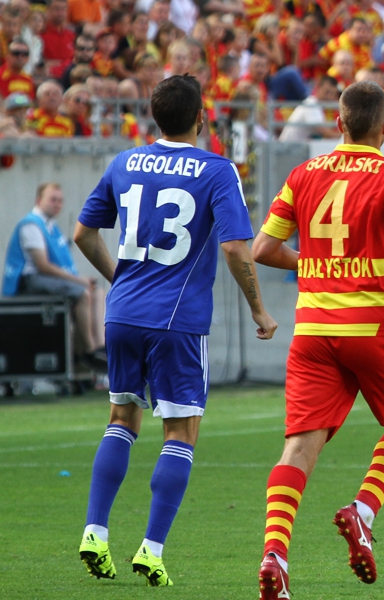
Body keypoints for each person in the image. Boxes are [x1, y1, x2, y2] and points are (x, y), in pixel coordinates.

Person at [73, 74, 277, 586]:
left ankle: (94, 531)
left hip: (122, 313)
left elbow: (83, 233)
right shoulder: (217, 169)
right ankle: (152, 549)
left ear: (153, 116)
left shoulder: (125, 162)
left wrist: (120, 281)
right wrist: (258, 309)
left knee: (121, 418)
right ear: (201, 118)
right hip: (177, 321)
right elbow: (234, 246)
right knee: (181, 430)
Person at [251, 81, 384, 599]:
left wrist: (312, 264)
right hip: (370, 324)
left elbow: (263, 249)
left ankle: (275, 554)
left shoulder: (303, 174)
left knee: (298, 446)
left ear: (339, 123)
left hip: (312, 329)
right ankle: (363, 510)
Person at [2, 182, 106, 370]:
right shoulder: (31, 225)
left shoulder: (51, 226)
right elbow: (43, 266)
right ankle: (88, 351)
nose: (57, 204)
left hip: (48, 279)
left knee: (98, 292)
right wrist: (80, 281)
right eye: (53, 200)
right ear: (38, 200)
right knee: (83, 293)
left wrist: (82, 281)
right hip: (31, 280)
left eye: (60, 201)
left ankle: (101, 346)